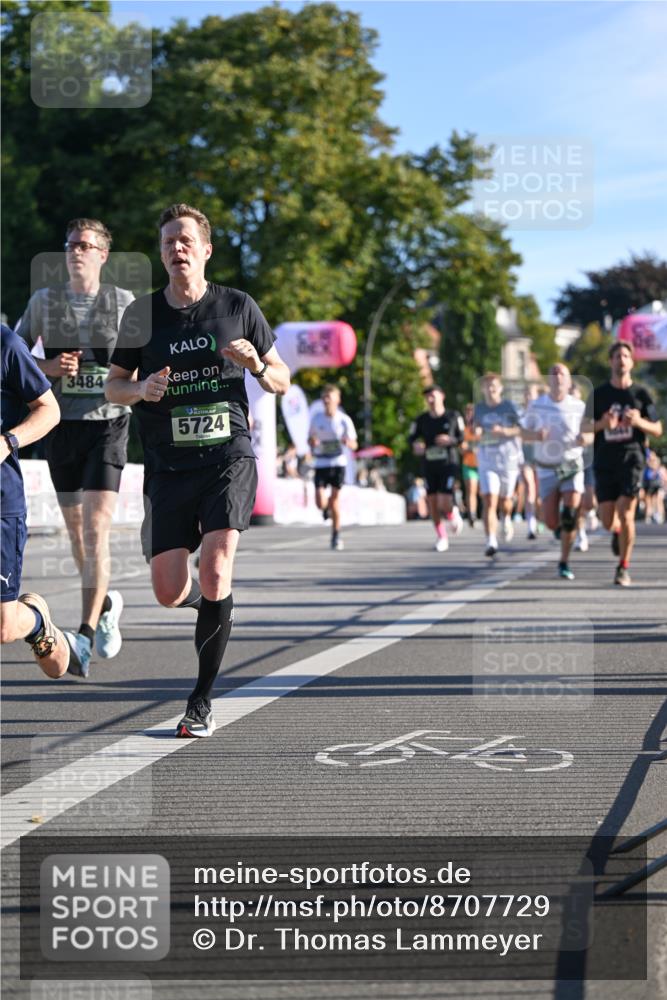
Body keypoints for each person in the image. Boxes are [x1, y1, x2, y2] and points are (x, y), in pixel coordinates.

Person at [105, 203, 290, 737]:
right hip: (167, 465)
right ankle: (214, 604)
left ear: (206, 249)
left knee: (215, 565)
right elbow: (112, 385)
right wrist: (140, 389)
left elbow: (281, 378)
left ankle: (201, 701)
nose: (176, 249)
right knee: (168, 590)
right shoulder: (142, 315)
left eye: (185, 240)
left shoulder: (237, 306)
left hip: (227, 456)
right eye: (167, 242)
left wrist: (255, 362)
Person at [17, 218, 134, 677]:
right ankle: (104, 600)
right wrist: (49, 365)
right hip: (61, 425)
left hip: (108, 425)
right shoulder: (45, 303)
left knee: (95, 531)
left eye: (86, 245)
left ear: (103, 254)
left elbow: (143, 359)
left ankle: (83, 637)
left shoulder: (123, 304)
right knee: (75, 533)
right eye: (71, 245)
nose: (76, 251)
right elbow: (17, 355)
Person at [1, 324, 79, 677]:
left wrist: (8, 442)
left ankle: (36, 623)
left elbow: (49, 410)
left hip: (1, 502)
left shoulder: (6, 343)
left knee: (2, 627)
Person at [591, 341, 662, 586]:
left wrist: (640, 422)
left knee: (627, 511)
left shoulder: (641, 394)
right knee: (607, 519)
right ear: (610, 361)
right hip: (604, 459)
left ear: (632, 362)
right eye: (617, 356)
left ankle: (623, 567)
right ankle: (617, 532)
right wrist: (602, 424)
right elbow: (583, 428)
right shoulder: (599, 394)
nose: (621, 360)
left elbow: (658, 429)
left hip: (632, 458)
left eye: (625, 356)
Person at [522, 364, 591, 580]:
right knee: (551, 521)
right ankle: (560, 530)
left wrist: (584, 439)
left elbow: (591, 434)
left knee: (570, 513)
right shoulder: (537, 406)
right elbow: (522, 432)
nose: (557, 376)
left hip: (571, 465)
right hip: (546, 469)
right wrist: (535, 436)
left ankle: (564, 561)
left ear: (569, 381)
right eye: (553, 372)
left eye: (562, 373)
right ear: (548, 380)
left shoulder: (579, 406)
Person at [408, 386, 464, 551]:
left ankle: (452, 513)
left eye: (433, 396)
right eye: (427, 397)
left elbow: (461, 437)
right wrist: (416, 445)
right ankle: (441, 537)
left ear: (442, 396)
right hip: (429, 464)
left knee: (444, 501)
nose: (430, 400)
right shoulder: (421, 419)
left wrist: (450, 440)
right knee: (432, 502)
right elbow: (411, 438)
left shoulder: (453, 416)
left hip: (448, 464)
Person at [474, 373, 522, 557]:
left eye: (494, 386)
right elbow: (476, 427)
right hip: (487, 458)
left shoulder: (509, 406)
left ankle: (507, 517)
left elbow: (521, 429)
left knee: (506, 501)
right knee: (489, 500)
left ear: (500, 388)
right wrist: (478, 430)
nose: (491, 389)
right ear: (483, 389)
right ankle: (491, 540)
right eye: (487, 386)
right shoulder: (479, 408)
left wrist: (503, 431)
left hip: (508, 458)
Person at [308, 384, 358, 551]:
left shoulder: (344, 420)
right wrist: (313, 442)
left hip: (338, 463)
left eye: (330, 397)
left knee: (335, 500)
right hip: (321, 463)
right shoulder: (317, 418)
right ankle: (325, 509)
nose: (327, 400)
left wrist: (347, 442)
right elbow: (310, 438)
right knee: (319, 501)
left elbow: (354, 444)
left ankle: (336, 535)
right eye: (324, 397)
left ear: (337, 400)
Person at [460, 403, 480, 527]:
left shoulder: (482, 430)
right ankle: (471, 514)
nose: (470, 415)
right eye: (467, 413)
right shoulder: (463, 431)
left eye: (472, 412)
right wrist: (468, 449)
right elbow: (461, 448)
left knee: (483, 493)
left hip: (482, 465)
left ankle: (487, 512)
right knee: (471, 490)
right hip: (468, 464)